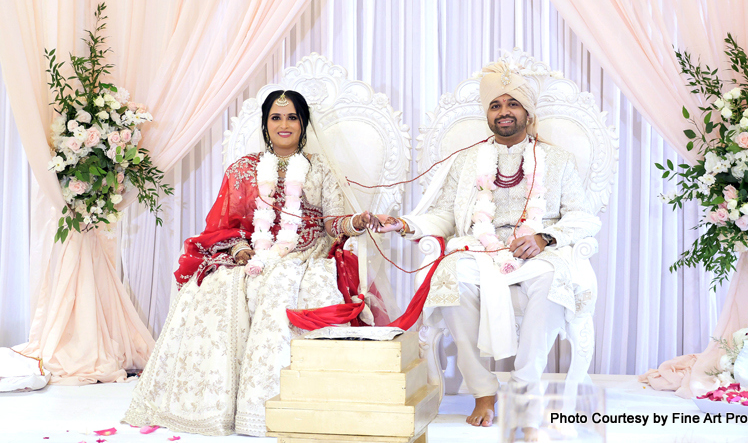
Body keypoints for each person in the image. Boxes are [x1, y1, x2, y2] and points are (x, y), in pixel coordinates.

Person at [123, 90, 379, 437]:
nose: (284, 125)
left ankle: (270, 406)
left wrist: (356, 223)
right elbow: (226, 224)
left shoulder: (321, 168)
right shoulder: (243, 169)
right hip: (252, 253)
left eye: (292, 117)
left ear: (303, 124)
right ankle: (212, 405)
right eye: (276, 117)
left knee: (280, 285)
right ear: (265, 124)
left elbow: (332, 223)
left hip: (306, 252)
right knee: (212, 286)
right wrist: (241, 248)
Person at [376, 62, 601, 427]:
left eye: (513, 104)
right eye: (496, 105)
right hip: (478, 250)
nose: (504, 112)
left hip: (534, 252)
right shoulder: (467, 162)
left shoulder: (558, 161)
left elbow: (584, 216)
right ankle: (483, 391)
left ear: (528, 112)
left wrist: (544, 237)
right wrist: (405, 224)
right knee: (450, 277)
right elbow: (444, 215)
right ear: (488, 114)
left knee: (553, 281)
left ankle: (526, 390)